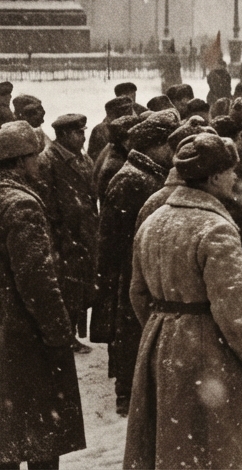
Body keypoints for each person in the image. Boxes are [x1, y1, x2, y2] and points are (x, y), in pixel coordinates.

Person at [125, 133, 242, 470]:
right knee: (215, 450)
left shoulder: (152, 220)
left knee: (173, 449)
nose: (235, 177)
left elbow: (137, 293)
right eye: (229, 171)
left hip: (159, 347)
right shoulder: (216, 228)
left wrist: (162, 330)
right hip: (209, 356)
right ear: (213, 177)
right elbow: (235, 309)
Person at [0, 122, 85, 470]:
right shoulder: (21, 206)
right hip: (25, 338)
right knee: (40, 438)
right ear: (20, 162)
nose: (39, 162)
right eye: (34, 156)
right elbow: (37, 280)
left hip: (6, 334)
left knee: (7, 437)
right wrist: (58, 333)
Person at [93, 108, 179, 416]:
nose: (173, 151)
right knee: (131, 329)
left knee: (140, 329)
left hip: (143, 266)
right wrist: (110, 279)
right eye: (169, 144)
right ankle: (127, 394)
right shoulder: (130, 180)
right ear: (154, 146)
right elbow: (110, 240)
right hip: (132, 270)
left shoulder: (145, 174)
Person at [33, 113, 98, 351]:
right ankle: (64, 336)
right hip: (62, 237)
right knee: (65, 287)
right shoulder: (47, 161)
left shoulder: (83, 159)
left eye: (83, 132)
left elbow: (91, 197)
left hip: (82, 233)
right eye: (78, 133)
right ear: (63, 135)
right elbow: (46, 202)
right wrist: (59, 233)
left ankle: (71, 334)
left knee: (80, 286)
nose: (83, 137)